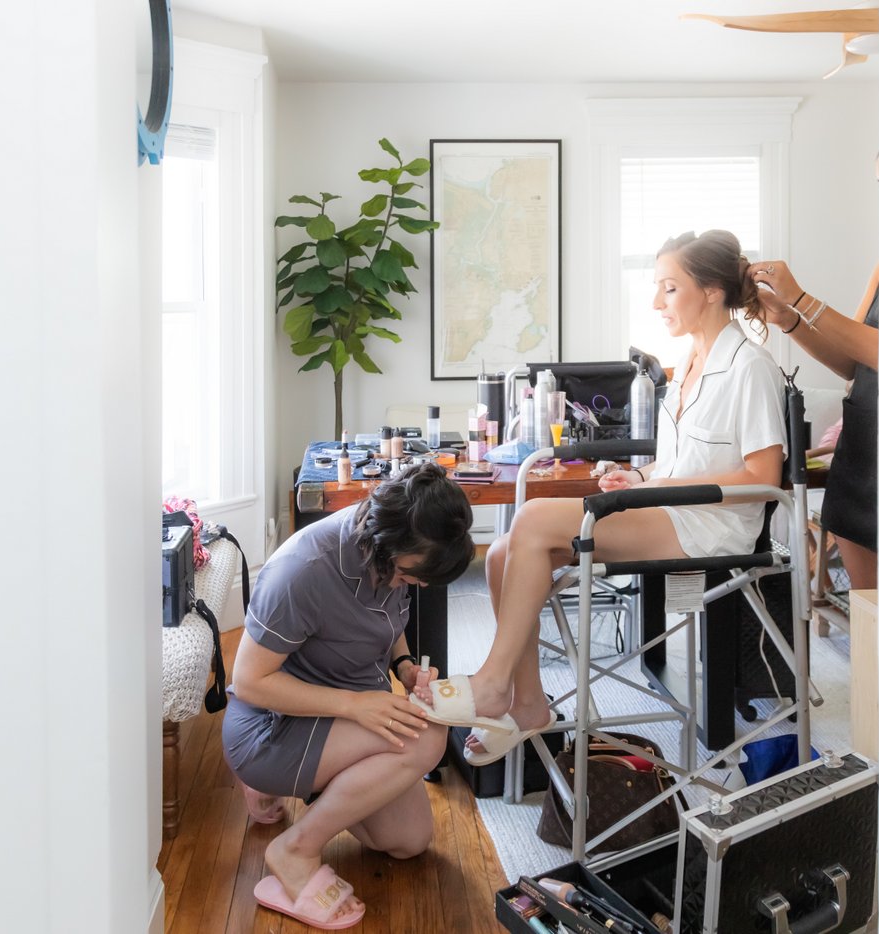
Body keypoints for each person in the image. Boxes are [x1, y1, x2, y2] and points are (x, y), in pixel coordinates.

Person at [411, 230, 787, 762]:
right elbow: (685, 459)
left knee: (533, 517)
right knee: (499, 555)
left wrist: (659, 488)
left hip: (709, 525)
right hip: (669, 508)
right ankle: (528, 703)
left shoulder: (750, 367)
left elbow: (764, 475)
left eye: (669, 288)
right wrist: (641, 478)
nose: (656, 302)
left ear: (711, 291)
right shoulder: (687, 365)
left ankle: (493, 683)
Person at [225, 462, 474, 930]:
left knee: (409, 841)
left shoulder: (388, 551)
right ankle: (295, 848)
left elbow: (389, 622)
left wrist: (405, 667)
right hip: (269, 726)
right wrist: (355, 705)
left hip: (341, 709)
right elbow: (251, 682)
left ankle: (306, 782)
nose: (418, 585)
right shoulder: (302, 571)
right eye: (413, 576)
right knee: (426, 737)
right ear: (386, 546)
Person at [747, 258, 879, 592]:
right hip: (860, 454)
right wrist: (788, 318)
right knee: (869, 608)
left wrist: (800, 299)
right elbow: (852, 365)